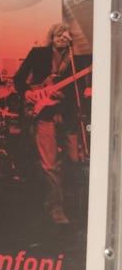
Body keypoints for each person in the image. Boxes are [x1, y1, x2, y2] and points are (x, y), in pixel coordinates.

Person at [14, 23, 92, 224]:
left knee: (73, 159)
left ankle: (63, 198)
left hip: (68, 115)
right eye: (59, 33)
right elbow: (18, 79)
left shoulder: (78, 60)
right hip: (44, 114)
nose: (63, 37)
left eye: (67, 34)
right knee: (49, 163)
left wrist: (65, 96)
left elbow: (82, 90)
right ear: (52, 36)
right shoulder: (38, 53)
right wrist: (28, 92)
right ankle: (56, 206)